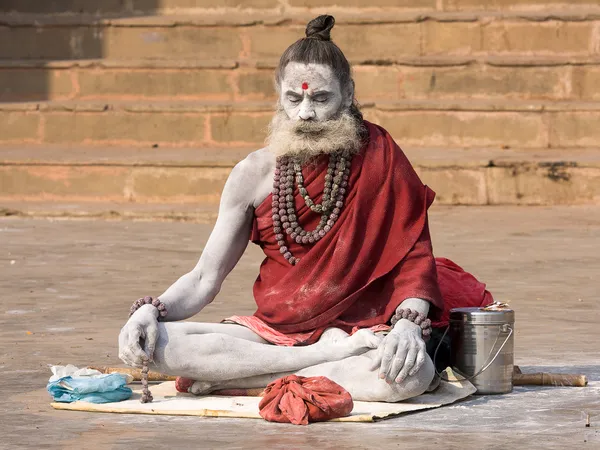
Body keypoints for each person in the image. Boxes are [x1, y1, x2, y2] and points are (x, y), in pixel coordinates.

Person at [118, 15, 493, 402]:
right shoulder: (252, 174)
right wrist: (151, 311)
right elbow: (203, 280)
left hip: (362, 331)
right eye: (293, 99)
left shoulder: (382, 157)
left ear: (348, 94)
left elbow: (414, 262)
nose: (305, 114)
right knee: (158, 344)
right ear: (278, 93)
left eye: (321, 98)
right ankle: (314, 362)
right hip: (276, 333)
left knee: (411, 375)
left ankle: (249, 376)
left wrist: (407, 328)